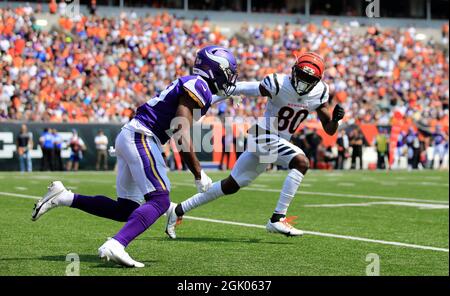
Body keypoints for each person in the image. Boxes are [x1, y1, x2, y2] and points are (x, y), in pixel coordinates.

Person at [31, 46, 238, 268]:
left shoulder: (194, 85)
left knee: (126, 209)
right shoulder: (199, 86)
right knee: (160, 200)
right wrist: (198, 172)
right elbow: (180, 129)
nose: (229, 79)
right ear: (214, 69)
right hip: (142, 136)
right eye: (228, 73)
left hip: (133, 134)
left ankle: (64, 197)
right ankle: (116, 244)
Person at [165, 52, 345, 239]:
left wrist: (336, 120)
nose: (302, 81)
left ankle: (178, 209)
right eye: (301, 74)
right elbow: (243, 88)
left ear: (317, 80)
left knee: (231, 185)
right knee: (301, 162)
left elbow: (329, 129)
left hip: (275, 140)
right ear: (293, 70)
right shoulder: (278, 83)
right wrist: (208, 99)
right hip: (262, 135)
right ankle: (277, 218)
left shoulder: (320, 92)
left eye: (309, 78)